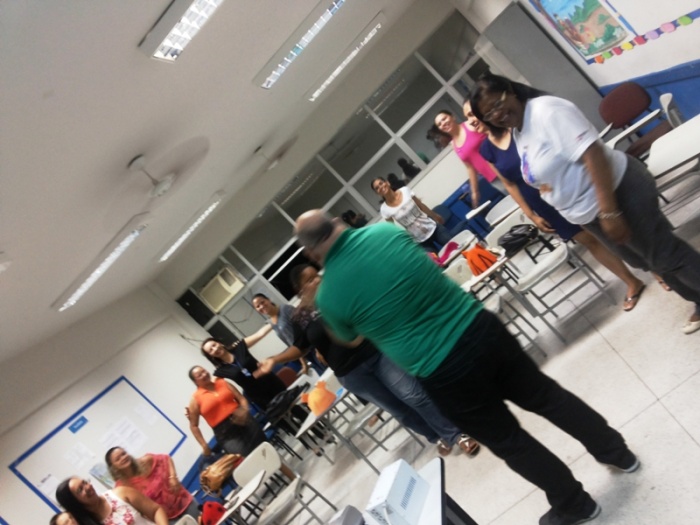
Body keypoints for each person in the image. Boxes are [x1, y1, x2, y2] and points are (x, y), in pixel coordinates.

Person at [294, 210, 639, 525]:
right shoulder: (385, 232)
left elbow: (349, 338)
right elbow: (425, 266)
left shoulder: (329, 296)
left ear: (311, 252)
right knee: (548, 397)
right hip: (478, 326)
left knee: (509, 440)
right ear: (336, 221)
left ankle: (576, 505)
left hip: (441, 369)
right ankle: (618, 453)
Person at [470, 72, 700, 334]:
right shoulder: (519, 130)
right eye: (489, 114)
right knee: (648, 261)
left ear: (511, 91)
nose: (497, 115)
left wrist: (610, 212)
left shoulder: (547, 111)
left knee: (664, 254)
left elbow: (593, 154)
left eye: (498, 104)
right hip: (589, 212)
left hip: (618, 193)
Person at [258, 263, 480, 457]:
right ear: (300, 289)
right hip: (351, 374)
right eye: (309, 279)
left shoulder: (337, 294)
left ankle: (456, 434)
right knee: (400, 410)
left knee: (414, 395)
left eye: (316, 275)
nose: (317, 280)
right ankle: (436, 436)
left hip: (376, 354)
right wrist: (275, 359)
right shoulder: (299, 317)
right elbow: (299, 347)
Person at [465, 100, 647, 311]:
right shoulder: (487, 149)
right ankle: (632, 282)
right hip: (542, 203)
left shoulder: (516, 128)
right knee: (591, 241)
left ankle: (657, 268)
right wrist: (530, 214)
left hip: (568, 187)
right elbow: (509, 184)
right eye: (467, 117)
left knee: (612, 228)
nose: (471, 120)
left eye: (473, 114)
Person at [187, 366, 266, 457]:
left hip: (245, 421)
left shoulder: (222, 382)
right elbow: (194, 426)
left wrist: (244, 410)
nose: (204, 374)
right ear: (195, 381)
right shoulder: (195, 399)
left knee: (265, 449)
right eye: (199, 375)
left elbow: (241, 398)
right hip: (226, 434)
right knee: (245, 459)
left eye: (204, 371)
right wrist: (204, 445)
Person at [104, 447, 198, 524]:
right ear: (113, 467)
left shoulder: (145, 461)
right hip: (167, 520)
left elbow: (166, 458)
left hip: (185, 503)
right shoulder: (121, 489)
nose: (123, 458)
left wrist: (173, 476)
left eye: (123, 454)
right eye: (118, 459)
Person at [434, 109, 503, 206]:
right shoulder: (453, 145)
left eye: (444, 119)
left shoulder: (470, 125)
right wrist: (474, 191)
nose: (443, 123)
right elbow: (470, 167)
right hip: (493, 178)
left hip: (504, 166)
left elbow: (494, 134)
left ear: (453, 117)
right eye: (439, 124)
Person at [371, 176, 451, 250]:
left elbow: (420, 205)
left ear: (387, 183)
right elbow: (392, 228)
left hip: (433, 227)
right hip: (420, 242)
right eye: (377, 188)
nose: (380, 187)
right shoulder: (384, 209)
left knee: (455, 248)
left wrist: (435, 215)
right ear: (377, 193)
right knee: (435, 261)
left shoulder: (405, 190)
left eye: (381, 183)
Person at [252, 293, 325, 374]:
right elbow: (292, 344)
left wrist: (318, 349)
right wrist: (303, 363)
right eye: (258, 306)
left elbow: (308, 326)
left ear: (268, 300)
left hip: (314, 348)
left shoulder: (285, 309)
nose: (261, 306)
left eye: (262, 302)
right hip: (305, 354)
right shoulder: (272, 324)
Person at [55, 476, 167, 525]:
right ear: (75, 503)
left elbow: (156, 510)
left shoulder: (120, 493)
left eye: (84, 482)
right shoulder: (87, 522)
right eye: (80, 490)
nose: (88, 487)